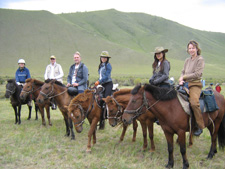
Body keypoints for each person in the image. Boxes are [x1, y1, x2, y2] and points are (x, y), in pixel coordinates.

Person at [179, 40, 205, 136]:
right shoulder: (187, 60)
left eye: (193, 48)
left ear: (197, 49)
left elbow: (197, 74)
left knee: (194, 103)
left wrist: (184, 77)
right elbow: (183, 71)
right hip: (185, 84)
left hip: (195, 85)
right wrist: (181, 79)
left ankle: (199, 126)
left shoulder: (200, 59)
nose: (191, 50)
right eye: (189, 48)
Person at [95, 51, 113, 129]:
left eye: (105, 57)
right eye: (102, 57)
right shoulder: (101, 66)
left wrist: (99, 81)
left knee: (106, 99)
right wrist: (98, 82)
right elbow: (101, 76)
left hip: (108, 84)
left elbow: (106, 76)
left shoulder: (108, 66)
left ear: (107, 58)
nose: (103, 58)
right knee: (96, 97)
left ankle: (108, 115)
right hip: (102, 84)